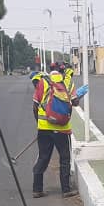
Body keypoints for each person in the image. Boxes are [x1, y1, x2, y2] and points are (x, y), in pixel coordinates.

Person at [31, 70, 87, 198]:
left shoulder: (42, 82)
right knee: (65, 158)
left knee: (43, 157)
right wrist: (79, 95)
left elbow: (35, 106)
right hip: (62, 129)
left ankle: (37, 189)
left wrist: (39, 124)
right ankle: (66, 190)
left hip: (44, 128)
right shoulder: (67, 82)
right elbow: (75, 103)